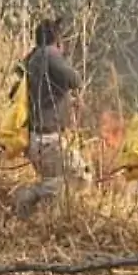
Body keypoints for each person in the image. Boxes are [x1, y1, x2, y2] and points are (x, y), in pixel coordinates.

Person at [13, 17, 91, 218]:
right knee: (80, 176)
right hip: (48, 140)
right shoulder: (50, 54)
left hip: (33, 139)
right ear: (57, 41)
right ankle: (28, 195)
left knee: (56, 181)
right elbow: (75, 80)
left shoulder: (31, 58)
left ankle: (42, 224)